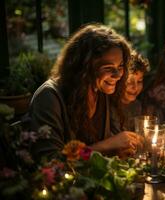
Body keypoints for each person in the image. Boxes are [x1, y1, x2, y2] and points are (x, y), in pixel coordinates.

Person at [29, 23, 143, 159]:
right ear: (84, 67)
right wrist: (107, 145)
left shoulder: (100, 91)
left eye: (120, 66)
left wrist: (115, 151)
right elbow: (53, 162)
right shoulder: (49, 97)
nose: (117, 75)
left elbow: (94, 154)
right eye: (108, 67)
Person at [111, 50, 150, 132]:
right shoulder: (109, 107)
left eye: (139, 81)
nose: (135, 87)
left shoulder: (137, 106)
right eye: (129, 82)